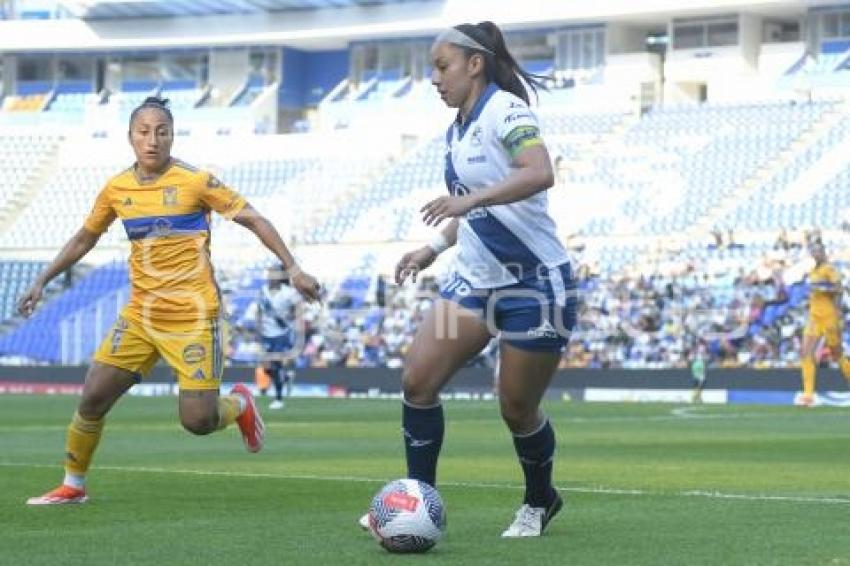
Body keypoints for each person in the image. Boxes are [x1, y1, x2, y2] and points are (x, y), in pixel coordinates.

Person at [19, 96, 321, 505]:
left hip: (195, 316)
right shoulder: (116, 188)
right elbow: (85, 237)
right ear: (130, 137)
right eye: (144, 132)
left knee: (197, 422)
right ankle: (74, 484)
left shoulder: (195, 181)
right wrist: (42, 279)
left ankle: (238, 405)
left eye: (162, 132)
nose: (153, 140)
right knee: (92, 399)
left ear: (172, 136)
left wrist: (293, 267)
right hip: (141, 315)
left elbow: (253, 218)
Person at [359, 21, 576, 538]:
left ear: (474, 64)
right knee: (417, 381)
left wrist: (471, 199)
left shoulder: (507, 110)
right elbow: (475, 211)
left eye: (442, 66)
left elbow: (539, 171)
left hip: (534, 286)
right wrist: (432, 247)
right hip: (476, 282)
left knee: (517, 408)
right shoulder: (458, 127)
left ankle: (540, 499)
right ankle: (415, 500)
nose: (435, 78)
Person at [799, 242, 850, 406]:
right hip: (814, 316)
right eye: (813, 251)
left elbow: (839, 288)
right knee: (805, 352)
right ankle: (808, 395)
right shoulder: (813, 271)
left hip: (829, 316)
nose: (815, 254)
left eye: (818, 251)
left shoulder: (829, 269)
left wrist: (823, 289)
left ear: (823, 252)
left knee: (837, 354)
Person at [256, 264, 301, 409]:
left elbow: (298, 309)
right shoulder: (262, 292)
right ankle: (285, 378)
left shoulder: (289, 292)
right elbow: (259, 311)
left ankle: (278, 398)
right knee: (267, 368)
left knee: (276, 365)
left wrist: (291, 317)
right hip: (266, 334)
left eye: (274, 273)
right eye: (269, 274)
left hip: (282, 334)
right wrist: (258, 330)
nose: (271, 276)